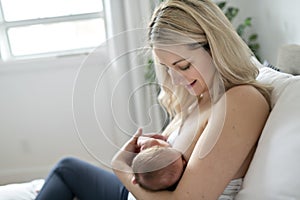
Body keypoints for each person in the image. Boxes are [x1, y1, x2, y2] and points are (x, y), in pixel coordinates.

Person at [36, 0, 272, 199]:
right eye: (167, 68)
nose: (176, 80)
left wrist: (121, 165)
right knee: (67, 169)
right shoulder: (199, 99)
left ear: (215, 47)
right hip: (132, 192)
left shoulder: (241, 101)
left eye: (183, 66)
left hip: (132, 191)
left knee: (67, 170)